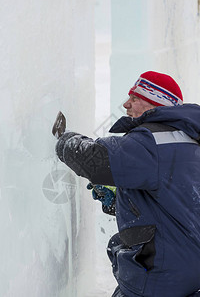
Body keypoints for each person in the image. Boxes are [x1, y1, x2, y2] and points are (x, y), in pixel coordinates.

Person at [54, 71, 200, 297]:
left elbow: (96, 160)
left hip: (161, 275)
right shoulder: (188, 141)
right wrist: (123, 198)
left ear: (155, 104)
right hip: (187, 270)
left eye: (135, 98)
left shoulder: (153, 140)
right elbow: (176, 202)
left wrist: (64, 139)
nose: (126, 104)